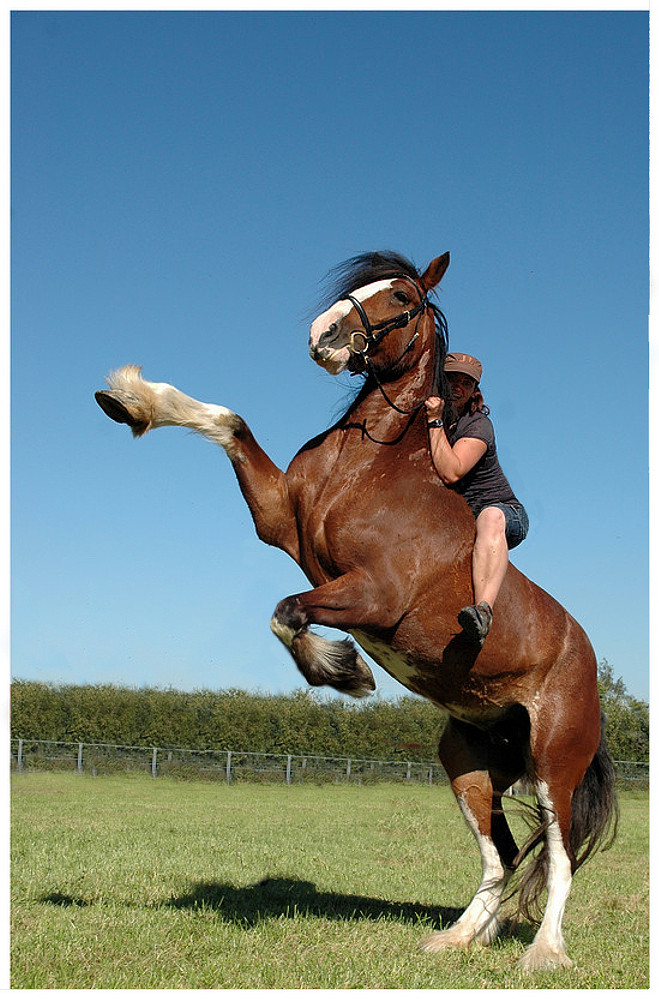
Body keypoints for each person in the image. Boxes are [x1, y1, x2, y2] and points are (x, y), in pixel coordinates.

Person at [425, 352, 528, 645]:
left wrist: (434, 422)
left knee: (490, 516)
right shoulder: (442, 422)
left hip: (506, 514)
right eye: (452, 379)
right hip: (465, 519)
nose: (458, 387)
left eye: (466, 383)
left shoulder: (477, 425)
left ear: (474, 391)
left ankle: (483, 611)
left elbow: (451, 471)